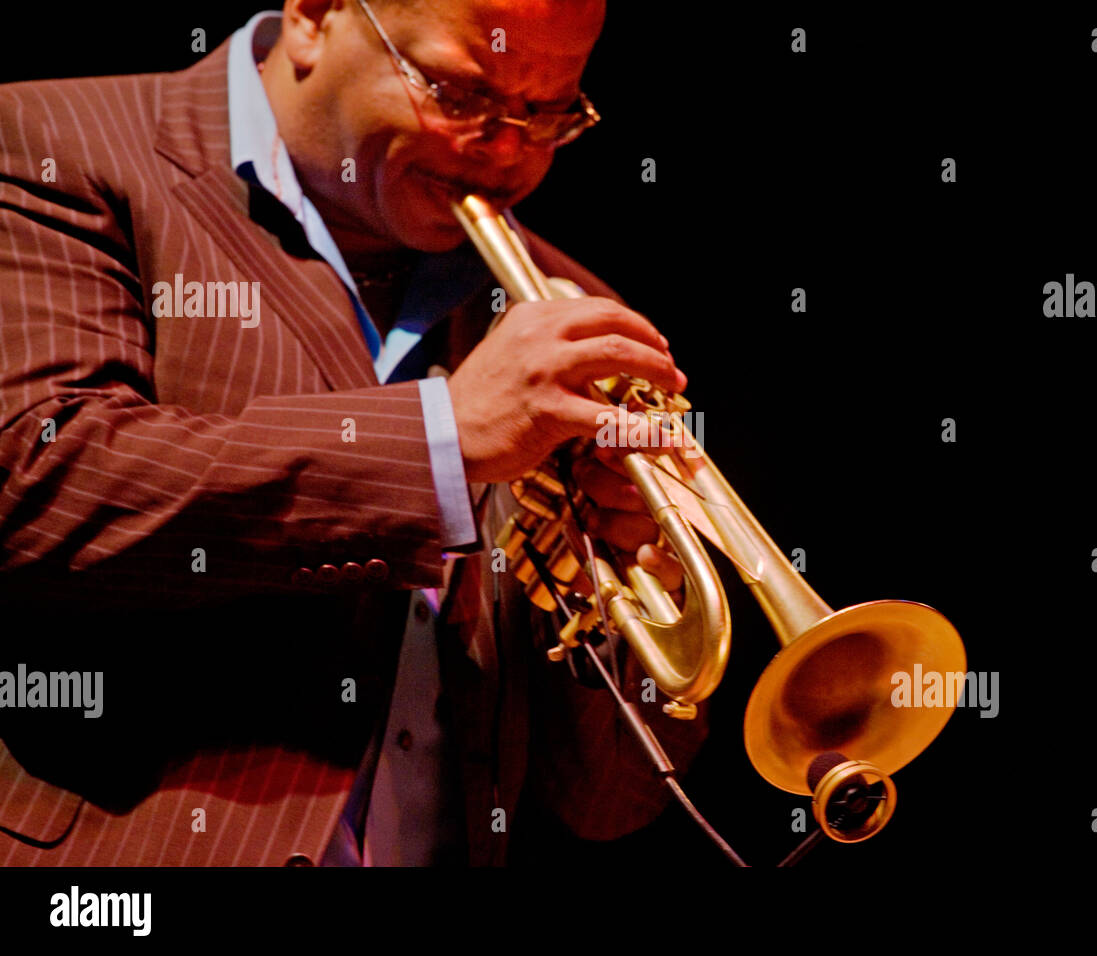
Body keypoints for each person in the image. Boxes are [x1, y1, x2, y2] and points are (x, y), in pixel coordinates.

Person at [0, 0, 707, 866]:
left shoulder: (562, 308)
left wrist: (634, 568)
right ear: (315, 16)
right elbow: (42, 483)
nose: (507, 152)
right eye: (459, 93)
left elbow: (606, 804)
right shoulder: (51, 140)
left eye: (549, 114)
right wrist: (441, 441)